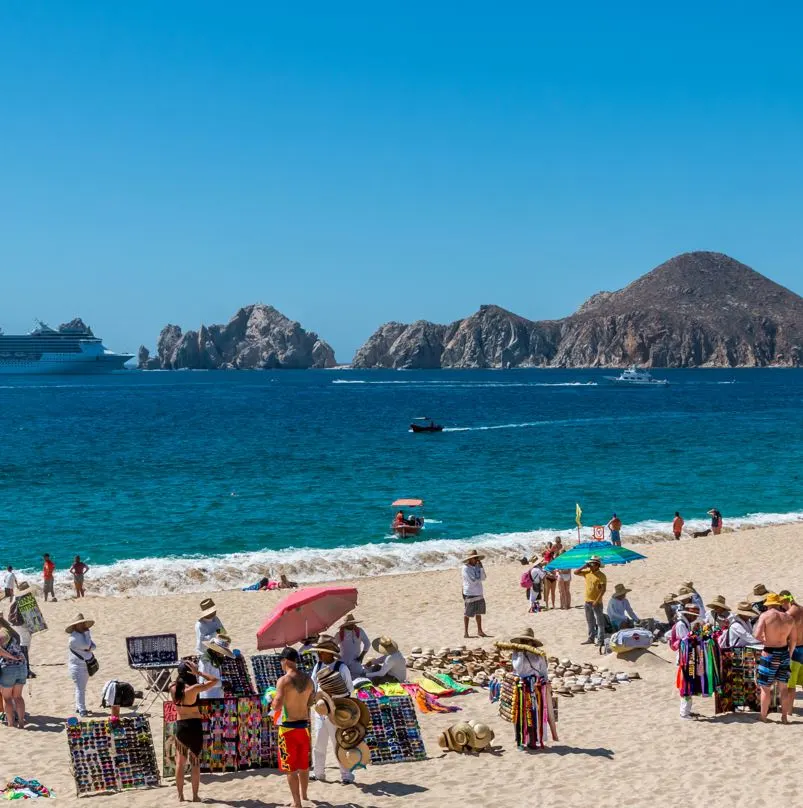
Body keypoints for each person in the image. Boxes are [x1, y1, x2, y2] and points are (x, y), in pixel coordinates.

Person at [495, 628, 558, 746]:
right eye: (523, 641)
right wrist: (520, 653)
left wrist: (545, 682)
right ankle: (519, 739)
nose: (525, 643)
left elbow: (543, 671)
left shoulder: (539, 655)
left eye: (527, 641)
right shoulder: (516, 654)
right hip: (521, 685)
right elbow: (518, 668)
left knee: (535, 713)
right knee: (520, 713)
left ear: (532, 643)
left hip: (536, 686)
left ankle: (533, 740)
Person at [170, 660, 220, 803]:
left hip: (181, 726)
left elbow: (176, 682)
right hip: (194, 726)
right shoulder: (193, 689)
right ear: (190, 673)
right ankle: (195, 796)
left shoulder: (172, 687)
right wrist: (198, 673)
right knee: (195, 763)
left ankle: (180, 796)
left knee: (180, 763)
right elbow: (215, 680)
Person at [309, 635, 355, 784]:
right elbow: (313, 686)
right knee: (319, 744)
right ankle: (319, 773)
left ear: (330, 653)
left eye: (322, 652)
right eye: (319, 652)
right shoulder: (317, 666)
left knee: (338, 743)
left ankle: (346, 775)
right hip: (321, 710)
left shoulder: (341, 668)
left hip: (337, 711)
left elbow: (349, 689)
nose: (319, 654)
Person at [272, 648, 314, 808]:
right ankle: (304, 795)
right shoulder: (308, 680)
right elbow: (310, 702)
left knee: (290, 768)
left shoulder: (284, 680)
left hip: (288, 729)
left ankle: (296, 802)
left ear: (285, 660)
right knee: (304, 765)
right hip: (304, 728)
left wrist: (271, 700)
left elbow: (277, 706)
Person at [754, 592, 795, 722]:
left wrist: (764, 639)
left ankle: (763, 716)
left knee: (765, 688)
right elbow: (793, 640)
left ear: (768, 604)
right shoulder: (789, 618)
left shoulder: (765, 616)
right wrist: (789, 653)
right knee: (783, 687)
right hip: (784, 653)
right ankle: (784, 717)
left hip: (769, 654)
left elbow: (756, 635)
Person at [672, 601, 702, 719]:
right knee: (686, 685)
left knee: (689, 684)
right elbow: (686, 641)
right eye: (693, 616)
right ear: (688, 615)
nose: (694, 618)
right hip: (685, 659)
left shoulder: (685, 623)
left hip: (688, 658)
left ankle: (687, 711)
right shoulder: (681, 625)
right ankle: (684, 713)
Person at [66, 613, 96, 717]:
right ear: (75, 626)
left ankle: (79, 707)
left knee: (80, 688)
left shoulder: (81, 635)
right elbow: (88, 645)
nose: (83, 625)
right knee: (80, 689)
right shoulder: (74, 639)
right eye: (80, 624)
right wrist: (88, 635)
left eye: (83, 623)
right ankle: (82, 709)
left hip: (84, 666)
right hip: (78, 667)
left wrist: (88, 646)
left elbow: (93, 646)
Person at [0, 620, 27, 728]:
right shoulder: (11, 632)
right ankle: (21, 722)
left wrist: (11, 657)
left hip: (9, 669)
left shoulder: (2, 632)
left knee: (7, 698)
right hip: (21, 667)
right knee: (18, 697)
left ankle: (11, 724)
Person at [575, 556, 606, 646]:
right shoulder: (588, 572)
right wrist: (584, 566)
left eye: (592, 564)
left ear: (597, 565)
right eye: (590, 564)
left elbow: (603, 590)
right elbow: (576, 572)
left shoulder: (601, 576)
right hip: (587, 601)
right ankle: (591, 638)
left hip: (596, 602)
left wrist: (596, 601)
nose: (590, 566)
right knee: (590, 621)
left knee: (599, 622)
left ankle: (600, 640)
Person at [781, 591, 803, 710]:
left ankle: (788, 710)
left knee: (791, 684)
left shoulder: (789, 614)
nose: (781, 606)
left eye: (782, 603)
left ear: (786, 601)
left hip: (795, 650)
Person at [9, 583, 34, 678]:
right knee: (25, 645)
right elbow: (30, 614)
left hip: (16, 623)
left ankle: (24, 667)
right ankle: (26, 669)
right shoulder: (25, 598)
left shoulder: (15, 597)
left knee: (22, 644)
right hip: (23, 624)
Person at [461, 550, 488, 638]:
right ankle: (466, 632)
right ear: (470, 559)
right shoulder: (465, 568)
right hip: (469, 592)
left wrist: (481, 568)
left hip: (478, 591)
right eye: (475, 558)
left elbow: (484, 578)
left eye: (477, 558)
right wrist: (478, 578)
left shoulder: (477, 567)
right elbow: (472, 581)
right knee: (467, 613)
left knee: (479, 613)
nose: (477, 560)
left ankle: (480, 631)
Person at [337, 613, 370, 678]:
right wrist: (337, 655)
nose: (352, 625)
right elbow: (333, 645)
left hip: (355, 660)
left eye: (353, 623)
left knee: (359, 677)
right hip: (343, 661)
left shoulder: (359, 631)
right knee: (343, 678)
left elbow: (367, 643)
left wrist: (362, 656)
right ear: (346, 625)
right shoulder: (339, 634)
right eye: (350, 624)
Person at [199, 634, 232, 698]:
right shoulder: (206, 662)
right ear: (215, 650)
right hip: (209, 696)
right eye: (222, 651)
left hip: (217, 694)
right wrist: (222, 683)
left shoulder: (216, 658)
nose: (223, 654)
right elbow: (204, 682)